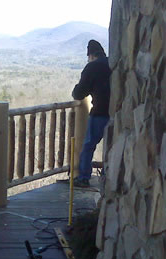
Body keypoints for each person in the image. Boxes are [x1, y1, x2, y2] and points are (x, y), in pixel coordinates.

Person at [71, 39, 111, 187]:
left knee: (89, 145)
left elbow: (79, 93)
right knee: (111, 146)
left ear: (91, 56)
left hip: (100, 112)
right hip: (116, 112)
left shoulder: (92, 67)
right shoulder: (112, 63)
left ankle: (83, 177)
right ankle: (109, 176)